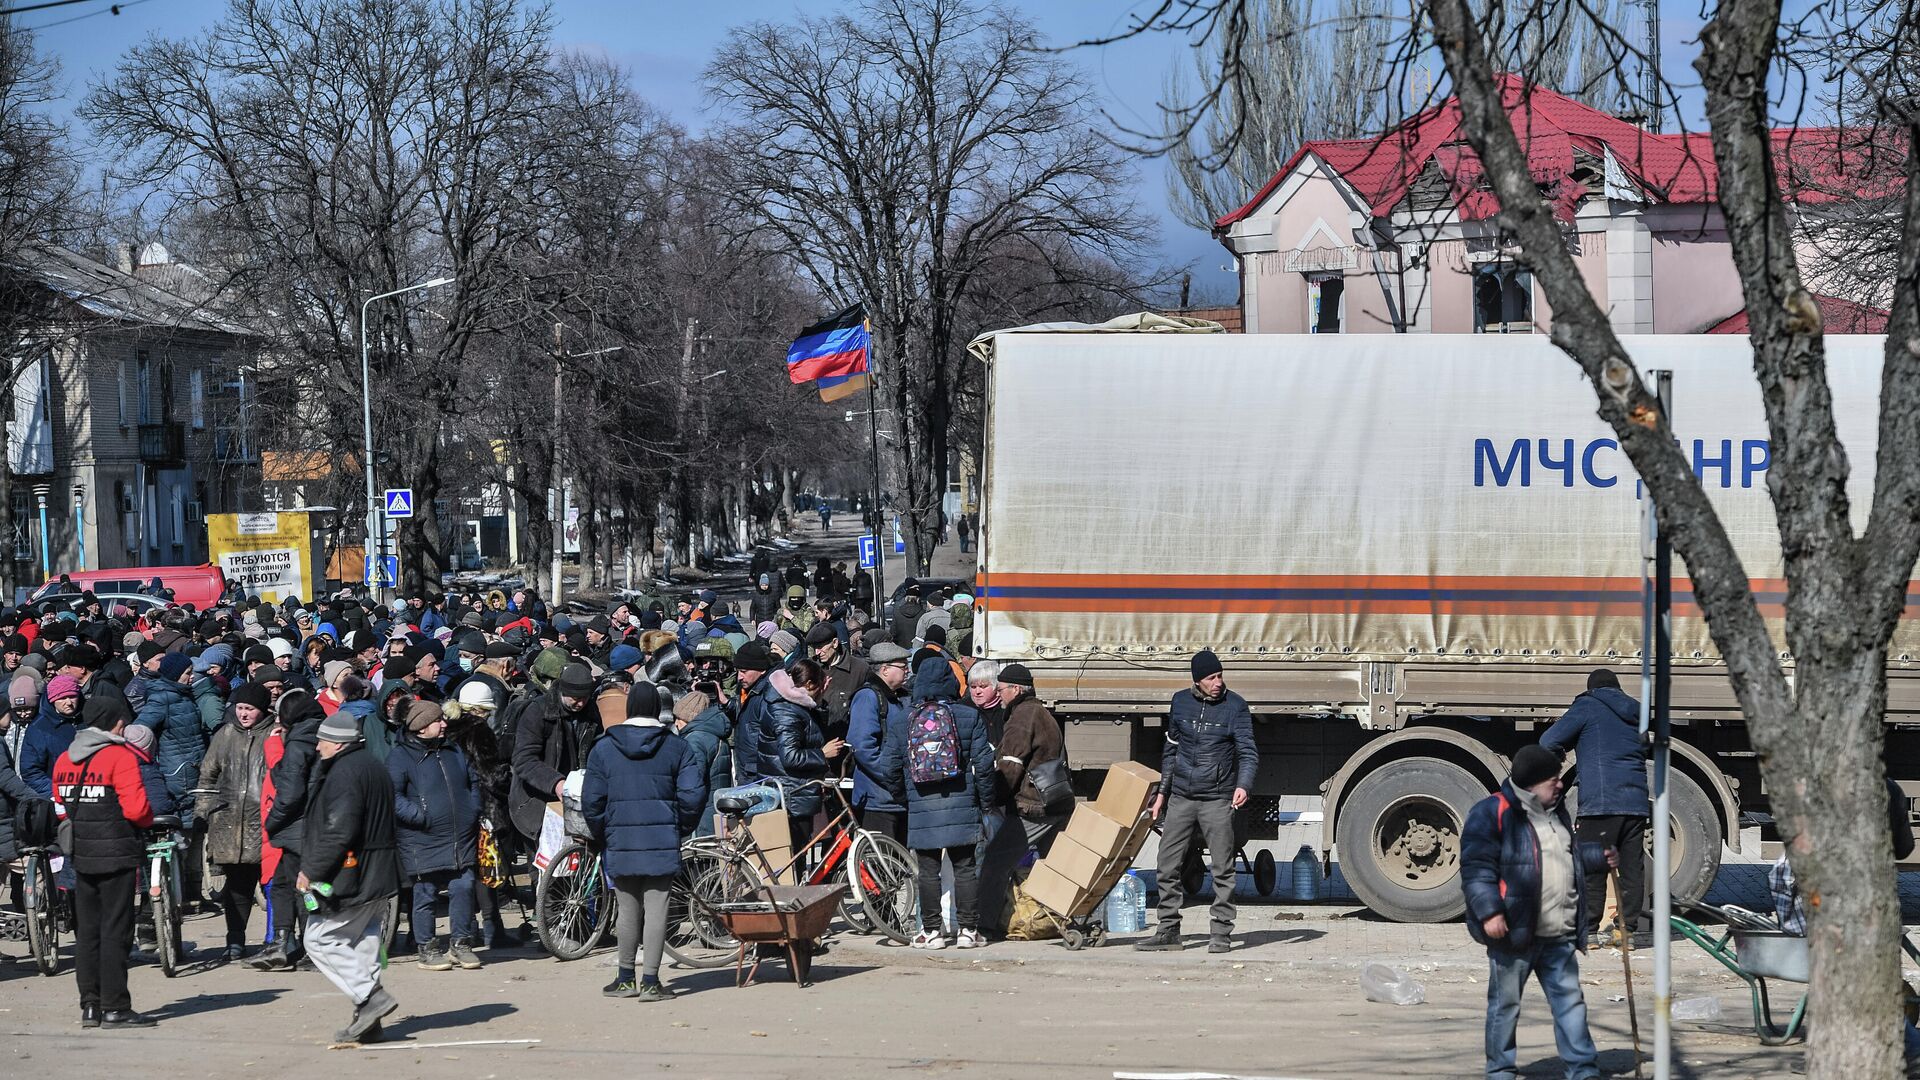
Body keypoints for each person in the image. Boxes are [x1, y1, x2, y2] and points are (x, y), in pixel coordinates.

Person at [1462, 745, 1617, 1080]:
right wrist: (1490, 911)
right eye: (1552, 780)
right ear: (1530, 783)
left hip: (1558, 934)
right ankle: (1500, 1071)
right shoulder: (1493, 811)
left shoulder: (1555, 810)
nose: (1560, 785)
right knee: (1505, 1008)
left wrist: (1597, 857)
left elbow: (1565, 855)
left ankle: (1583, 1071)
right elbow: (1476, 868)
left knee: (1571, 1006)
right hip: (1514, 935)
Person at [582, 681, 707, 1000]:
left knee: (627, 908)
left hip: (620, 837)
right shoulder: (677, 746)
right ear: (657, 709)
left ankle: (625, 978)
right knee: (657, 909)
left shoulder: (604, 747)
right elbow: (693, 795)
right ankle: (651, 981)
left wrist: (603, 833)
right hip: (662, 835)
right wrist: (680, 827)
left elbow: (592, 801)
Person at [1137, 649, 1257, 953]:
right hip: (1181, 797)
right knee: (1166, 865)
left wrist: (1242, 785)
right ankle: (1168, 931)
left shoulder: (1236, 707)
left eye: (1219, 676)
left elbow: (1247, 752)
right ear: (1197, 681)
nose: (1218, 682)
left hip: (1217, 798)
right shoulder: (1180, 702)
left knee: (1222, 869)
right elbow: (1170, 751)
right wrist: (1161, 794)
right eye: (1210, 678)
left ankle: (1221, 933)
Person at [51, 693, 158, 1028]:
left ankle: (90, 1006)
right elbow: (137, 809)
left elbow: (60, 803)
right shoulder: (118, 756)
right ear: (117, 723)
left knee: (88, 932)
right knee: (116, 930)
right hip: (117, 853)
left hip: (81, 854)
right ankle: (116, 1007)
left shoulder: (65, 759)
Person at [299, 709, 403, 1044]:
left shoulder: (344, 772)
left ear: (339, 743)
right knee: (365, 942)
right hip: (382, 869)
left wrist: (311, 870)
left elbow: (339, 830)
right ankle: (369, 1023)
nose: (318, 748)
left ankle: (371, 997)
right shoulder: (372, 765)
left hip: (354, 871)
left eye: (323, 742)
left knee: (319, 939)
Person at [879, 656, 993, 950]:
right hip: (963, 801)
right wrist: (985, 801)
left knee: (928, 871)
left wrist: (904, 796)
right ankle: (968, 930)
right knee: (965, 867)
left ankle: (932, 932)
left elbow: (888, 767)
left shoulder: (904, 720)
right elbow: (984, 764)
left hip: (921, 804)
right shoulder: (968, 716)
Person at [1540, 669, 1650, 946]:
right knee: (1632, 869)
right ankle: (1626, 932)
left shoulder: (1587, 705)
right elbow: (1645, 746)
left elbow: (1548, 740)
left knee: (1592, 868)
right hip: (1635, 803)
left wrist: (1559, 756)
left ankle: (1588, 931)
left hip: (1601, 803)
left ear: (1592, 688)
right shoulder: (1636, 712)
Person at [388, 698, 484, 970]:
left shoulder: (453, 749)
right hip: (421, 838)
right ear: (420, 727)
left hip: (459, 836)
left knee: (464, 886)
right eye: (436, 721)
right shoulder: (400, 756)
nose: (443, 724)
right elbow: (392, 795)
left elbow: (473, 781)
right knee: (425, 893)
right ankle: (427, 948)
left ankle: (461, 944)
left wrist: (472, 809)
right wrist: (420, 816)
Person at [976, 663, 1067, 939]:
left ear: (1016, 689)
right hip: (1055, 801)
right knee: (1055, 863)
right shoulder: (1039, 712)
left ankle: (985, 926)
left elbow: (1010, 763)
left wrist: (994, 797)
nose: (999, 695)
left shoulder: (1022, 716)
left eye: (1002, 689)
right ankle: (1067, 919)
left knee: (995, 860)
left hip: (1033, 805)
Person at [196, 681, 273, 961]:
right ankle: (235, 940)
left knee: (272, 886)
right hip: (228, 820)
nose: (243, 714)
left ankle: (275, 939)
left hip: (263, 820)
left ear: (262, 710)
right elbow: (208, 776)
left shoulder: (274, 735)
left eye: (249, 709)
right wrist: (202, 812)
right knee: (237, 887)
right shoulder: (224, 735)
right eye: (240, 708)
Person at [752, 657, 845, 852]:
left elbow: (809, 732)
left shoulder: (793, 703)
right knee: (795, 854)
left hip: (794, 791)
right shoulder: (787, 712)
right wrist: (822, 753)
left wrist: (818, 700)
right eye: (820, 686)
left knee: (799, 852)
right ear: (810, 684)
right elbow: (790, 756)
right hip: (790, 795)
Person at [509, 663, 599, 842]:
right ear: (563, 692)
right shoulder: (537, 711)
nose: (580, 703)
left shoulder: (590, 712)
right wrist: (556, 783)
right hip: (536, 803)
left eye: (585, 698)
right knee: (543, 865)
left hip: (576, 800)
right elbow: (523, 759)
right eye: (575, 698)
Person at [849, 643, 912, 846]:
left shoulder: (902, 697)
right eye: (902, 666)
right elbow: (862, 746)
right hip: (877, 799)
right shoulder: (868, 697)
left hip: (899, 797)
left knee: (901, 863)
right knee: (880, 862)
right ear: (884, 669)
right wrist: (891, 776)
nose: (907, 670)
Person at [670, 689, 732, 837]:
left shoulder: (694, 740)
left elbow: (691, 783)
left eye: (679, 718)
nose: (676, 723)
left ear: (689, 718)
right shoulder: (714, 736)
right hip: (715, 811)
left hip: (700, 820)